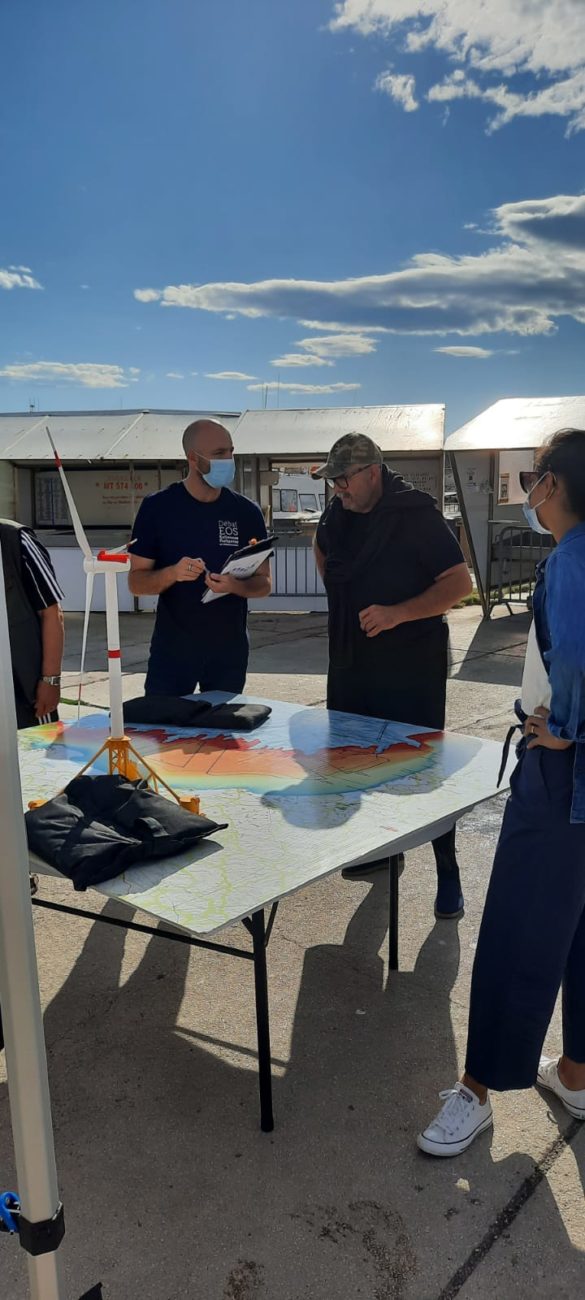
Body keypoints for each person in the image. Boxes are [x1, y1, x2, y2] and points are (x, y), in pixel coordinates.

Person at [418, 428, 585, 1158]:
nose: (527, 492)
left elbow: (574, 655)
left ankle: (477, 1087)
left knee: (517, 927)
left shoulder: (569, 562)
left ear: (552, 485)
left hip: (560, 777)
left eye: (530, 478)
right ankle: (574, 1072)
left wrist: (570, 729)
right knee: (579, 928)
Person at [313, 433, 472, 918]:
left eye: (343, 479)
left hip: (410, 665)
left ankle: (448, 870)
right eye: (332, 480)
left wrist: (398, 613)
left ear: (373, 472)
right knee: (359, 760)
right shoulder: (337, 516)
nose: (337, 488)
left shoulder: (416, 514)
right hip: (351, 661)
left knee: (421, 768)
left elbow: (459, 584)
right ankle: (385, 854)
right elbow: (323, 554)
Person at [129, 419, 271, 695]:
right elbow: (136, 582)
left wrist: (235, 586)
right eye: (219, 454)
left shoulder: (247, 513)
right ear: (193, 458)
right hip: (172, 652)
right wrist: (173, 573)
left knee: (222, 736)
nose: (228, 460)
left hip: (228, 653)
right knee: (165, 733)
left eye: (231, 451)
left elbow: (264, 583)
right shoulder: (157, 508)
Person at [0, 518, 64, 728]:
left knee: (32, 754)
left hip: (24, 691)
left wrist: (50, 680)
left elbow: (51, 613)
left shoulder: (14, 540)